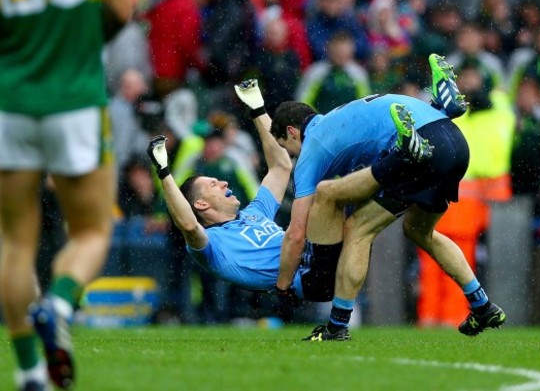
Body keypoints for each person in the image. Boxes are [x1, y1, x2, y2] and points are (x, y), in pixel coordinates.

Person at [268, 54, 505, 341]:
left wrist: (282, 286)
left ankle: (337, 326)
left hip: (422, 146)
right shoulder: (338, 119)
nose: (293, 157)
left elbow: (296, 232)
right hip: (454, 142)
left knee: (357, 229)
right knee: (420, 231)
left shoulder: (312, 150)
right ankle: (482, 305)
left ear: (292, 132)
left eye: (288, 148)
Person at [146, 80, 428, 315]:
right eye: (212, 185)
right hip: (308, 275)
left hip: (325, 257)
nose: (222, 182)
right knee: (326, 191)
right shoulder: (210, 246)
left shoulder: (255, 212)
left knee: (351, 187)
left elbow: (281, 166)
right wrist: (164, 172)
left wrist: (258, 110)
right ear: (201, 204)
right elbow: (188, 225)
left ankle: (407, 158)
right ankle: (400, 156)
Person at [0, 0, 133, 390]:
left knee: (14, 241)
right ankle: (58, 305)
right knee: (92, 232)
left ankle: (28, 371)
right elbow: (123, 11)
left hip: (11, 102)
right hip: (76, 97)